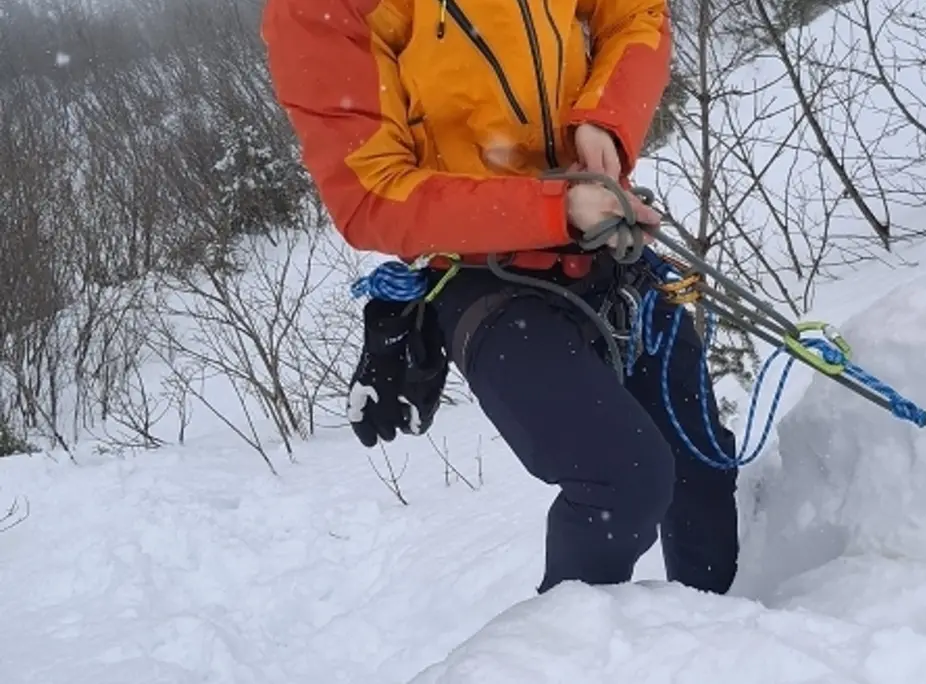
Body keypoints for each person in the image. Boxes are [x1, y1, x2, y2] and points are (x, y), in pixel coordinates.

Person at [261, 0, 739, 595]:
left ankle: (719, 635)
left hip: (598, 239)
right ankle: (567, 654)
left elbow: (634, 12)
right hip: (481, 273)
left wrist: (605, 121)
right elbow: (370, 193)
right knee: (622, 479)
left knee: (700, 458)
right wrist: (552, 209)